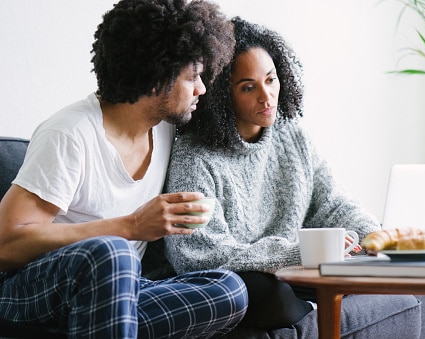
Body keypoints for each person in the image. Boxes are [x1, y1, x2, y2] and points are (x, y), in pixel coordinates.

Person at [0, 1, 249, 338]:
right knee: (114, 251)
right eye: (193, 77)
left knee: (229, 289)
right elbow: (7, 243)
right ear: (155, 75)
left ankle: (101, 321)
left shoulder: (164, 128)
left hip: (121, 288)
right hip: (33, 288)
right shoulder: (70, 134)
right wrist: (130, 226)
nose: (201, 89)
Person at [162, 17, 421, 336]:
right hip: (250, 282)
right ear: (220, 94)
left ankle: (321, 303)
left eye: (270, 80)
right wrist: (298, 253)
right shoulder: (195, 155)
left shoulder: (293, 137)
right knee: (269, 293)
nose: (266, 97)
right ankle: (317, 309)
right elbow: (197, 255)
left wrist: (374, 238)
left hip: (297, 273)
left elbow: (335, 205)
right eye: (248, 87)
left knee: (386, 273)